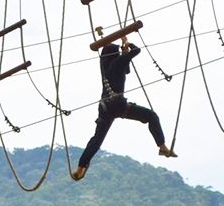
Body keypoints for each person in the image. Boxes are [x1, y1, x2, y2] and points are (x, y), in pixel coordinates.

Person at [72, 37, 177, 180]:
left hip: (105, 107)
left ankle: (80, 168)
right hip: (118, 105)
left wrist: (124, 51)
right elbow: (137, 51)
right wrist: (127, 44)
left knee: (97, 139)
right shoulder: (117, 63)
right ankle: (162, 146)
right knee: (151, 116)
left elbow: (126, 70)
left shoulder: (106, 66)